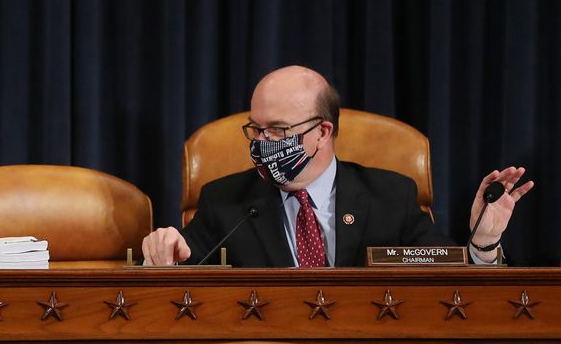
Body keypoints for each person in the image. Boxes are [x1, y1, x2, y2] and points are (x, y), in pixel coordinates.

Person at [141, 66, 533, 267]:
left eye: (277, 131)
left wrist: (484, 243)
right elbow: (183, 278)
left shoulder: (390, 196)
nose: (261, 143)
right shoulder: (224, 201)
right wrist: (161, 256)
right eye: (256, 129)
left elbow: (449, 281)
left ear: (322, 131)